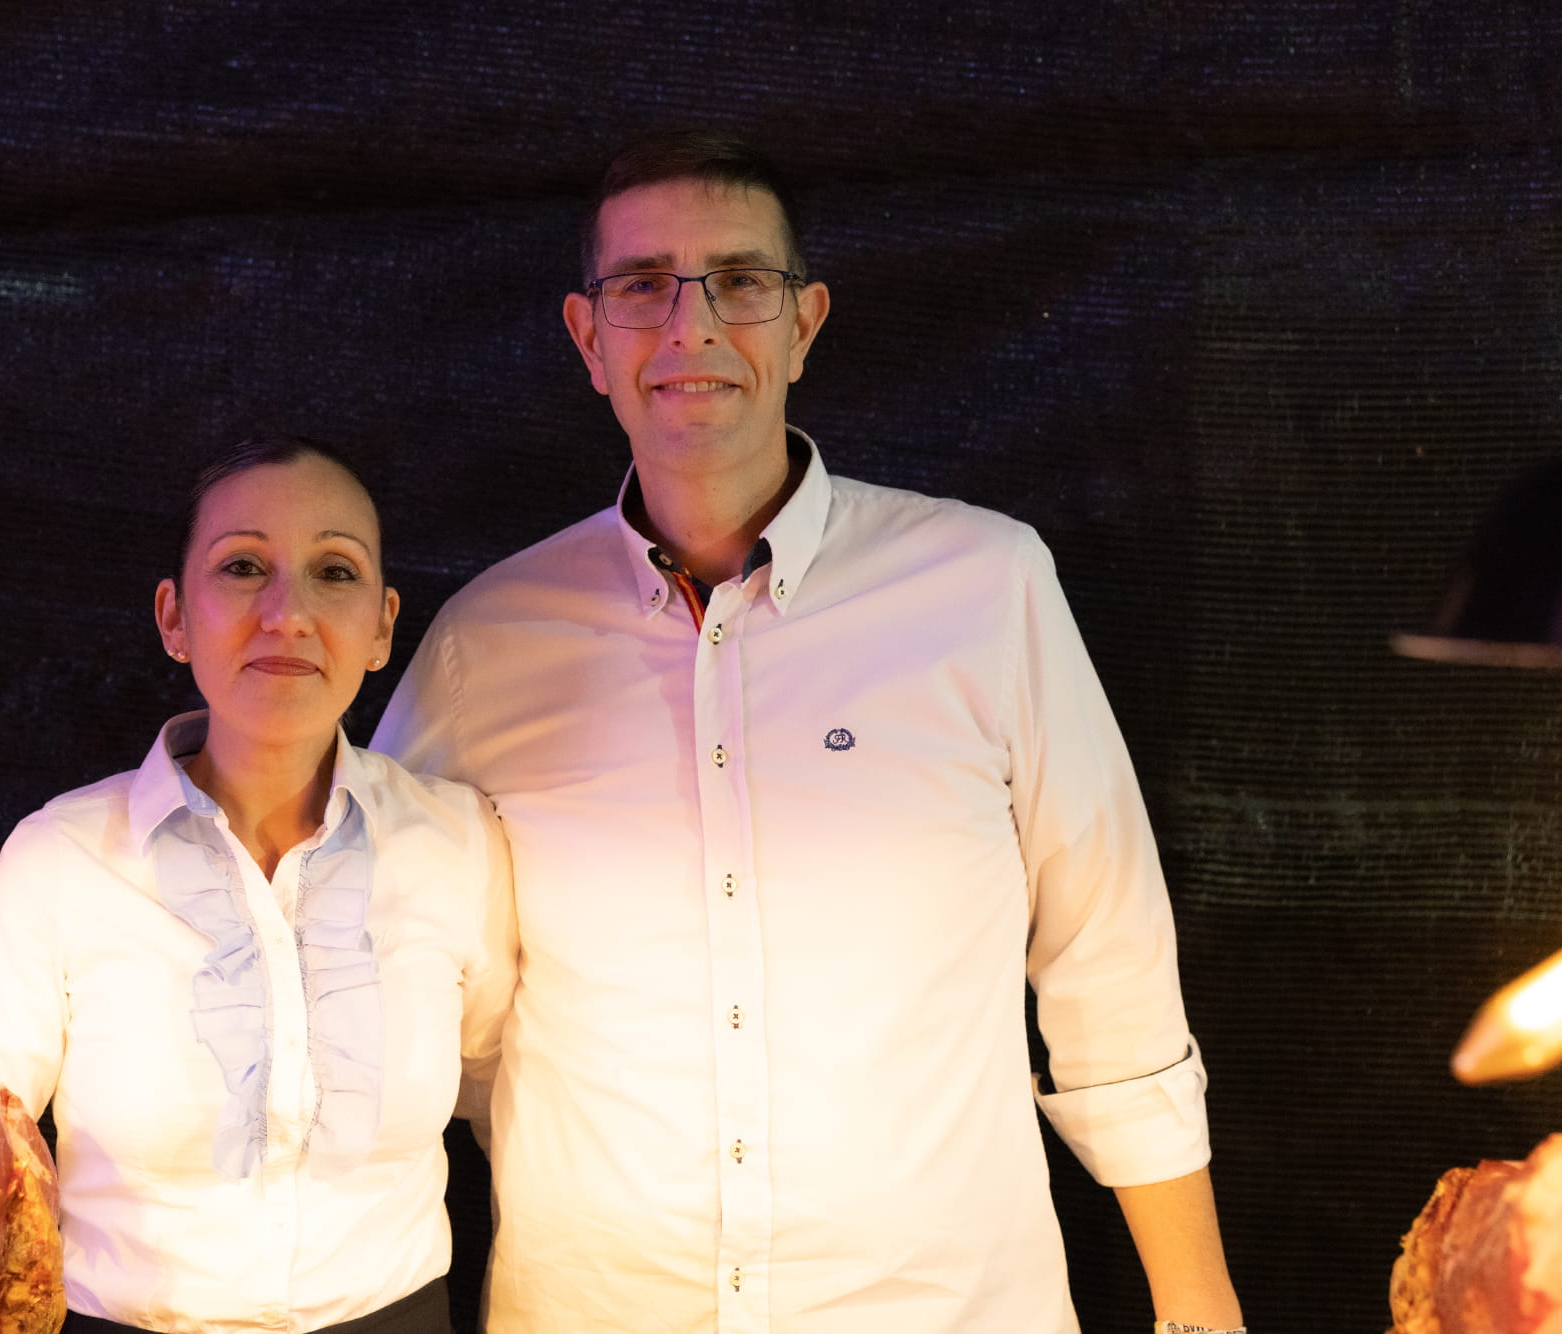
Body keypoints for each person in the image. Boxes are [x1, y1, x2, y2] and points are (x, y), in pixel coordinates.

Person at [373, 130, 1243, 1333]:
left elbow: (1108, 956)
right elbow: (384, 966)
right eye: (642, 286)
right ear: (587, 338)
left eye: (739, 281)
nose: (691, 327)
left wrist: (1195, 1306)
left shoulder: (983, 585)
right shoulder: (488, 640)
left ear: (803, 324)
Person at [0, 435, 517, 1334]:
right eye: (243, 567)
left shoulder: (457, 845)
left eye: (335, 573)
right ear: (174, 617)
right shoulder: (58, 861)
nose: (288, 613)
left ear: (383, 627)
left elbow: (504, 1093)